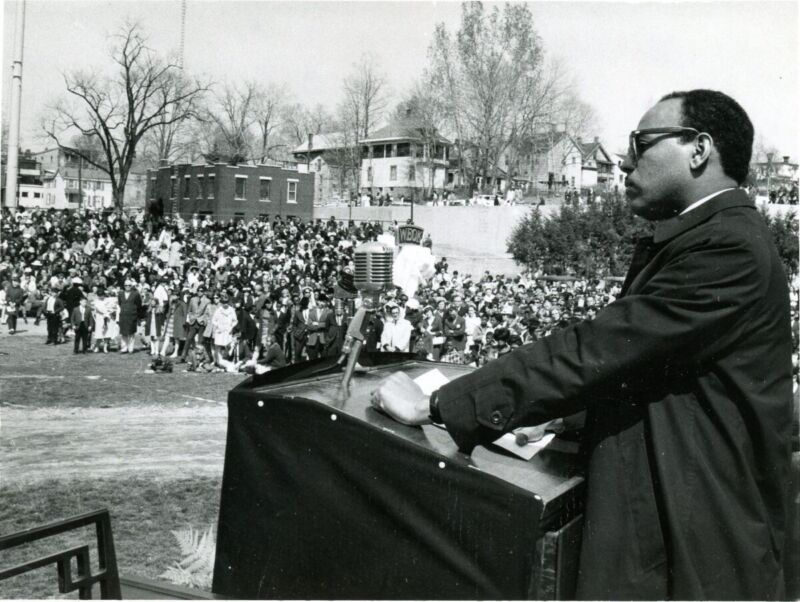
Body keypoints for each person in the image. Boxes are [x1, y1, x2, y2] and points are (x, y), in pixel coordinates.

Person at [372, 90, 793, 600]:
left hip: (700, 558)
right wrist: (567, 415)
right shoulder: (707, 237)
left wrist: (436, 405)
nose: (624, 160)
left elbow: (595, 348)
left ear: (699, 150)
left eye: (641, 143)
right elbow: (663, 378)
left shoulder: (726, 248)